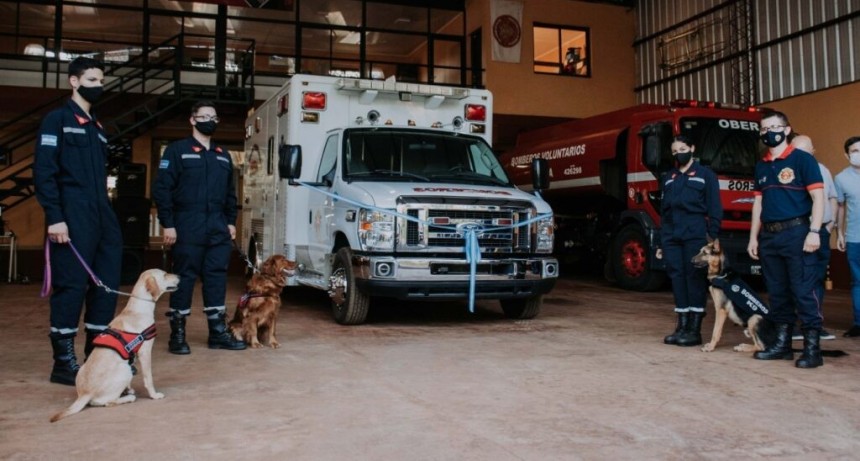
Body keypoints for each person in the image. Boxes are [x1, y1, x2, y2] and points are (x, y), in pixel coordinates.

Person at [33, 56, 123, 385]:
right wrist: (55, 217)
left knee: (106, 284)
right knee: (71, 285)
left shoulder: (98, 128)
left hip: (102, 212)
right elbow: (45, 172)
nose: (99, 86)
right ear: (74, 81)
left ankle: (95, 356)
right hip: (71, 212)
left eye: (101, 81)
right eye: (93, 80)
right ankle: (63, 363)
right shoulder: (56, 120)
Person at [152, 101, 246, 354]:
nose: (209, 121)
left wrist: (229, 221)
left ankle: (217, 333)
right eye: (203, 116)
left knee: (216, 278)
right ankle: (178, 335)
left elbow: (230, 193)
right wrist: (168, 224)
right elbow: (162, 190)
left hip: (217, 226)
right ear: (192, 120)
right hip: (187, 224)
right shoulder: (177, 151)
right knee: (183, 279)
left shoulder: (222, 155)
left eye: (213, 117)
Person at [747, 111, 825, 368]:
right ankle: (782, 345)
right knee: (777, 292)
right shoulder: (761, 165)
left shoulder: (803, 160)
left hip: (798, 234)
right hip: (770, 236)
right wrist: (753, 237)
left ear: (787, 129)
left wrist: (814, 231)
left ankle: (812, 349)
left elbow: (818, 199)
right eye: (764, 128)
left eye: (774, 127)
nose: (769, 131)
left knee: (803, 290)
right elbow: (758, 203)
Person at [660, 135, 722, 347]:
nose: (679, 153)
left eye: (683, 148)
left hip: (695, 233)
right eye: (675, 151)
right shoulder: (670, 177)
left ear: (692, 148)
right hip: (672, 234)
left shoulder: (705, 175)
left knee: (694, 276)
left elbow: (715, 208)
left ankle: (694, 330)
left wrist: (712, 237)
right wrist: (663, 238)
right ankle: (681, 327)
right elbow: (664, 211)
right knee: (676, 276)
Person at [789, 135, 837, 341]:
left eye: (806, 151)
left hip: (820, 233)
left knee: (816, 278)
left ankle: (815, 324)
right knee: (795, 278)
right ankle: (795, 324)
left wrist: (830, 223)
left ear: (813, 151)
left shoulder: (823, 170)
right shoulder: (786, 171)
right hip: (797, 231)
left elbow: (832, 198)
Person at [835, 136, 860, 338]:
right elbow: (841, 207)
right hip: (855, 238)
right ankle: (859, 323)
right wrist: (840, 233)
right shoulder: (841, 178)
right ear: (847, 155)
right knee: (858, 282)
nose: (859, 154)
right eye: (855, 151)